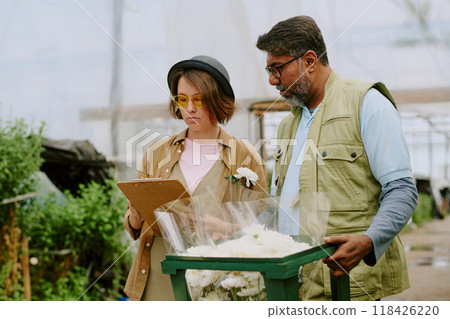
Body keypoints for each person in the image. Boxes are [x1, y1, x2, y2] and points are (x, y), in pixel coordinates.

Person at [256, 16, 418, 300]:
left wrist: (368, 240)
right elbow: (280, 203)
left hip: (346, 283)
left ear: (309, 60)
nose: (271, 79)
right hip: (294, 283)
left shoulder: (367, 104)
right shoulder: (286, 125)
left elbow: (402, 191)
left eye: (277, 68)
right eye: (268, 70)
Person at [123, 55, 268, 301]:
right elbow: (133, 227)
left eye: (198, 100)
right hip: (159, 279)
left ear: (218, 100)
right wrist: (137, 214)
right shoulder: (156, 153)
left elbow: (261, 226)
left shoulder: (244, 155)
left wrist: (228, 228)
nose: (189, 108)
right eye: (182, 99)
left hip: (217, 279)